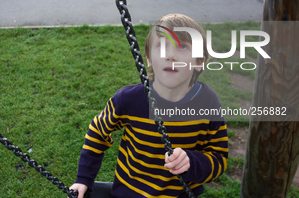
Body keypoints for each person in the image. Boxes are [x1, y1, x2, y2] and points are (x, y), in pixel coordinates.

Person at [69, 14, 228, 198]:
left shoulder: (208, 102)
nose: (170, 55)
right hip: (130, 193)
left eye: (183, 46)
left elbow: (219, 158)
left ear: (199, 62)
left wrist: (190, 162)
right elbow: (98, 132)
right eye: (162, 46)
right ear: (149, 59)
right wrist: (83, 179)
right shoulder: (129, 99)